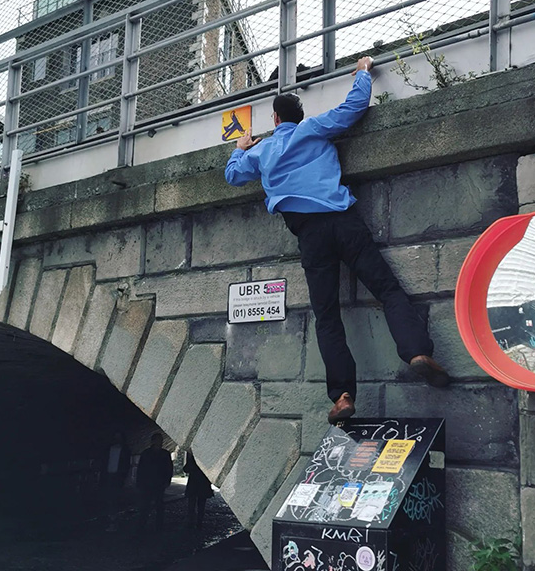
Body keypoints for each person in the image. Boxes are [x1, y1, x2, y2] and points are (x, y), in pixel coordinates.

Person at [225, 56, 450, 424]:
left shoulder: (262, 152)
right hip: (343, 222)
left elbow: (232, 176)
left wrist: (241, 146)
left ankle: (343, 395)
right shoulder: (314, 128)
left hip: (310, 237)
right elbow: (354, 107)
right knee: (387, 289)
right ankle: (415, 352)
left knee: (327, 316)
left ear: (276, 120)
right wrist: (362, 73)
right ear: (298, 116)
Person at [136, 433, 173, 532]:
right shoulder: (160, 454)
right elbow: (141, 469)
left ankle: (155, 526)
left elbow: (169, 469)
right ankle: (145, 525)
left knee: (157, 506)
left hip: (157, 483)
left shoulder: (149, 453)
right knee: (147, 505)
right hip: (149, 483)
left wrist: (167, 480)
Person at [102, 431, 131, 531]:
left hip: (118, 477)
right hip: (109, 475)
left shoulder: (124, 450)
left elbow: (126, 464)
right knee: (109, 498)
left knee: (116, 498)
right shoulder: (110, 449)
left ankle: (115, 519)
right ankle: (112, 519)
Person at [183, 451, 213, 529]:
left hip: (194, 485)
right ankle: (199, 523)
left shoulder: (194, 459)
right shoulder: (207, 460)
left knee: (192, 506)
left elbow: (186, 469)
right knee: (201, 506)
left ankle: (191, 523)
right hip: (202, 485)